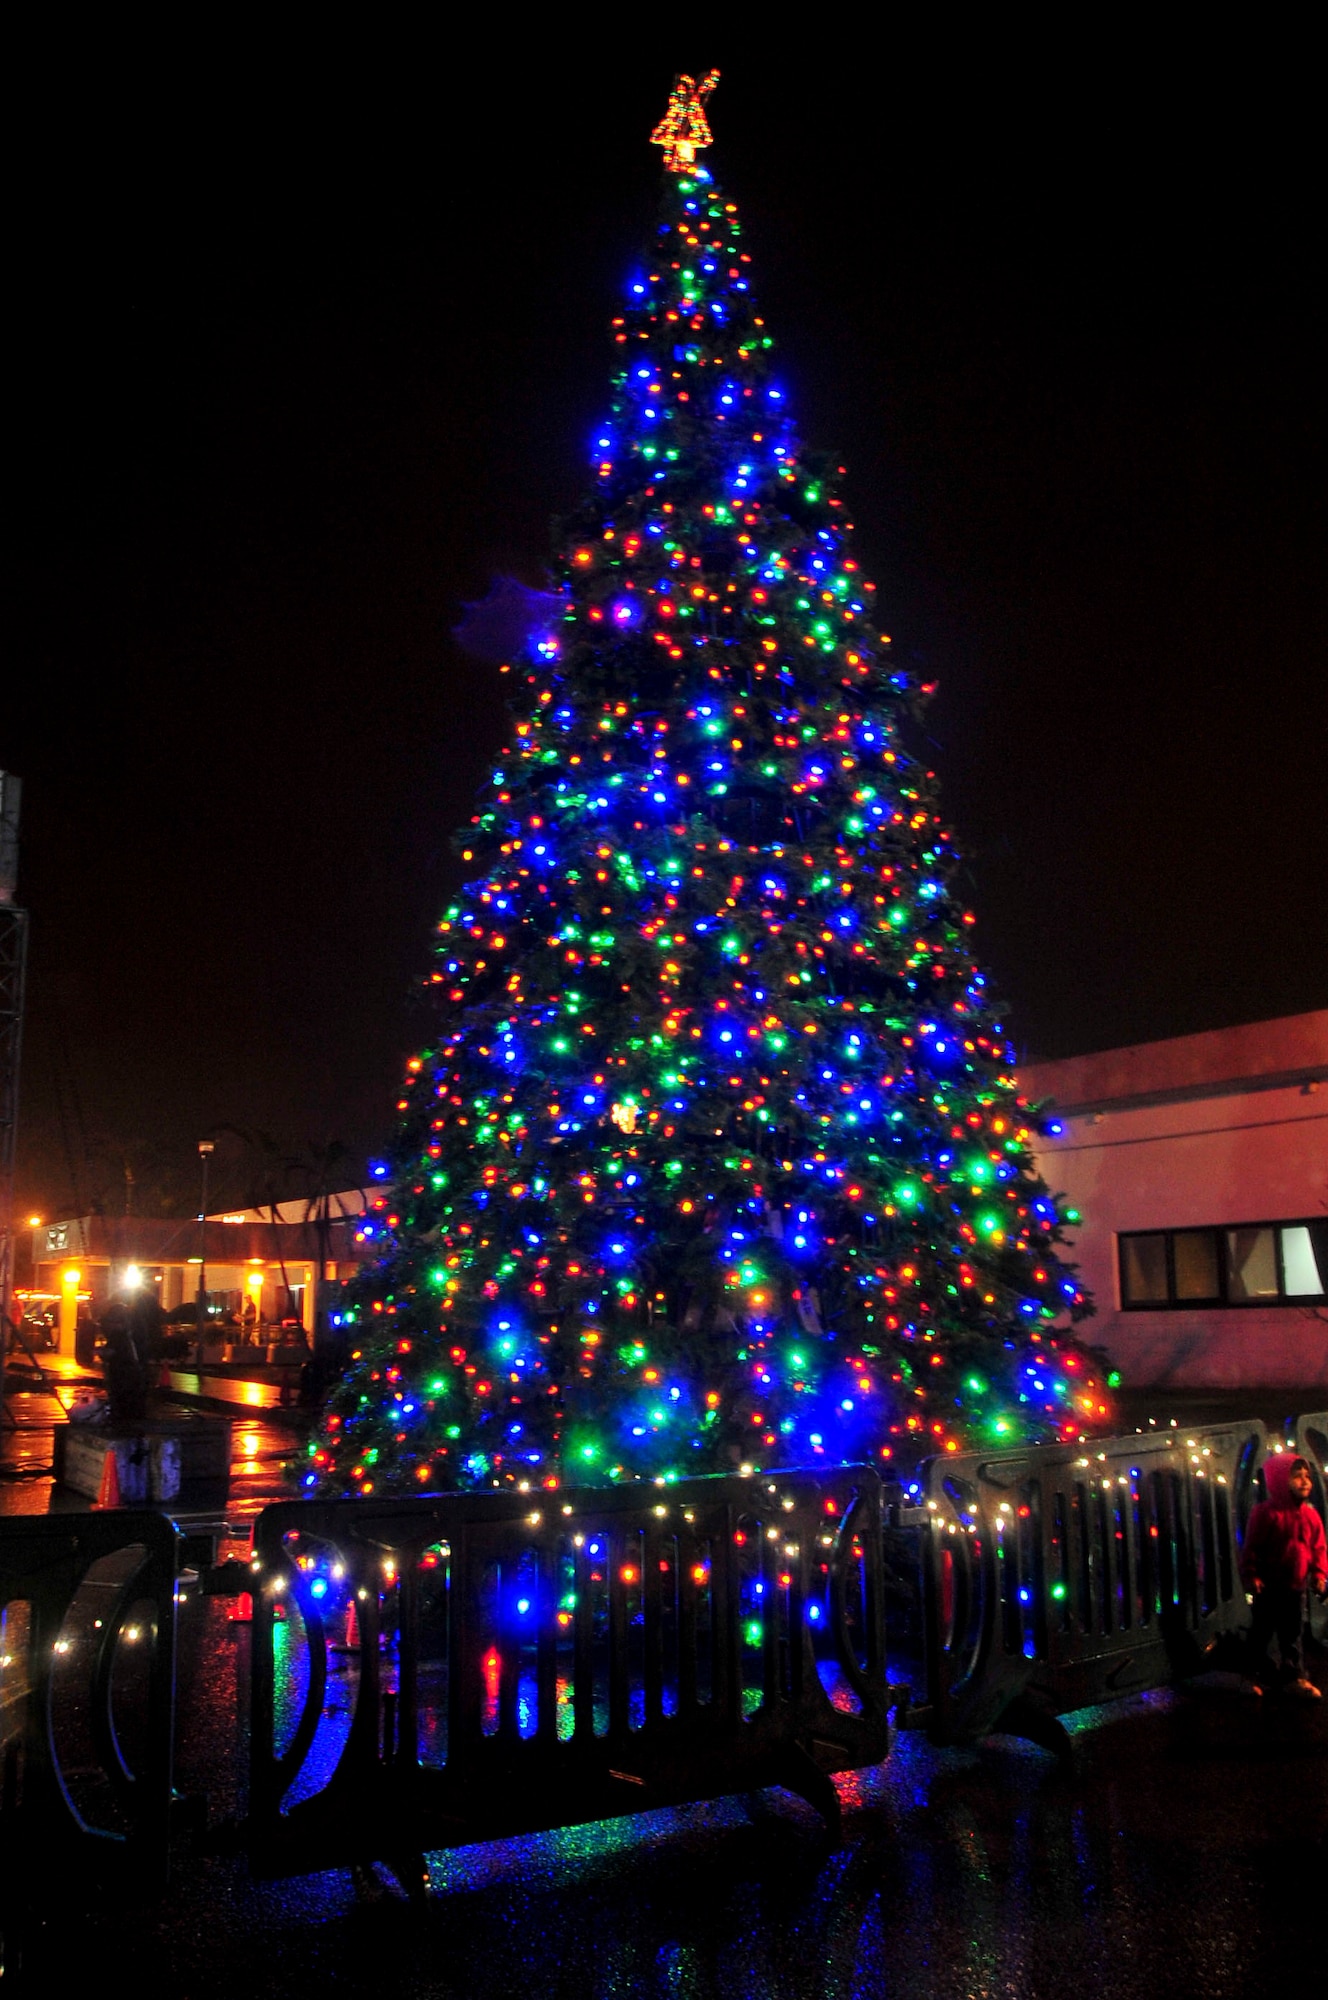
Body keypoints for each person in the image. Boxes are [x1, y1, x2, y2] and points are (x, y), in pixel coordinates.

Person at [1240, 1454, 1328, 1697]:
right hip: (1268, 1587)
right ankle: (1253, 1675)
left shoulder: (1310, 1515)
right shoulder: (1265, 1513)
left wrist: (1319, 1573)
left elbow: (1318, 1547)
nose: (1305, 1482)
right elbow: (1252, 1548)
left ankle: (1295, 1677)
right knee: (1262, 1632)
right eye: (1297, 1477)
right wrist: (1251, 1576)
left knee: (1293, 1634)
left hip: (1295, 1587)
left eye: (1307, 1477)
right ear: (1280, 1480)